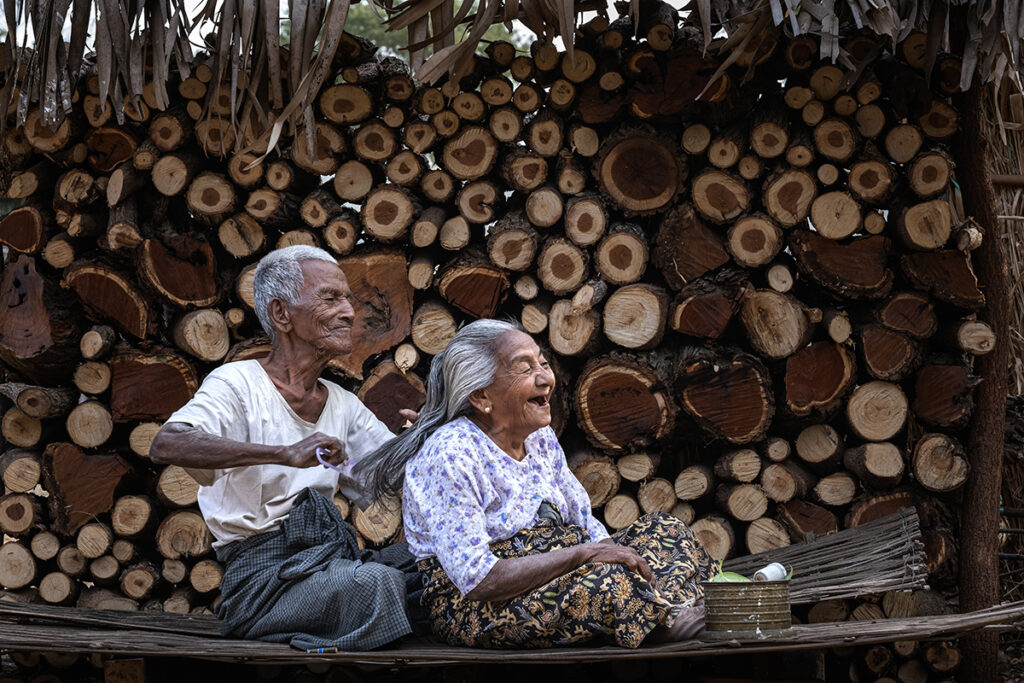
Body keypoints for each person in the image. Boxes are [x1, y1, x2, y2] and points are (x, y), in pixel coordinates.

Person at [360, 319, 717, 649]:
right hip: (480, 605)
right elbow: (479, 580)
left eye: (543, 363)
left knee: (665, 529)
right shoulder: (450, 454)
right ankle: (669, 615)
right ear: (482, 396)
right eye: (525, 368)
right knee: (606, 584)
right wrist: (586, 556)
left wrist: (620, 556)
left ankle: (662, 606)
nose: (545, 377)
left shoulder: (541, 437)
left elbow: (583, 521)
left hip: (558, 565)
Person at [150, 245, 423, 652]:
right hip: (263, 581)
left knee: (436, 567)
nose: (349, 311)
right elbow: (167, 443)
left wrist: (430, 437)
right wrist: (282, 453)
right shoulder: (237, 383)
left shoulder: (341, 403)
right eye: (330, 298)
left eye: (347, 298)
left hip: (329, 562)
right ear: (281, 314)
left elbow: (390, 473)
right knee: (376, 585)